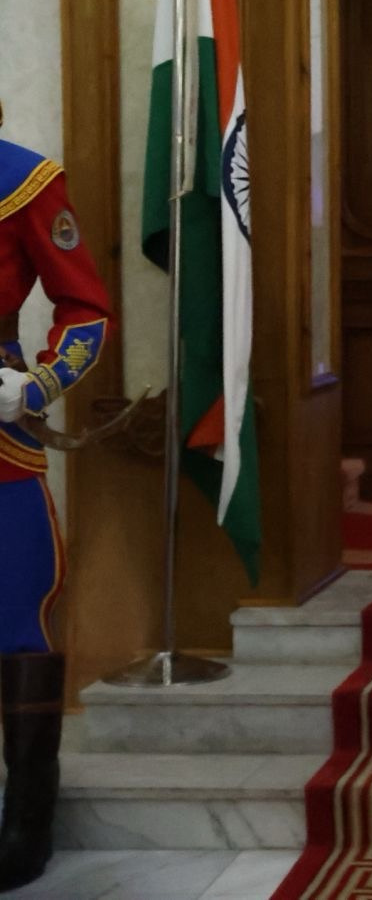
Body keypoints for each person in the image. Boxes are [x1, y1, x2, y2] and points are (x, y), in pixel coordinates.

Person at [0, 104, 113, 892]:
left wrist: (37, 384)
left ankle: (26, 823)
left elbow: (86, 308)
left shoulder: (24, 180)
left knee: (18, 620)